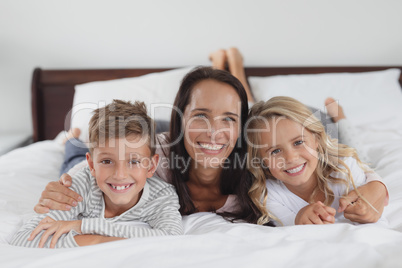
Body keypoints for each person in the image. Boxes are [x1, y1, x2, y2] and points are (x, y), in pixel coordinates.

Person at [33, 48, 388, 226]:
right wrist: (73, 177)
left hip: (269, 120)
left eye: (230, 120)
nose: (216, 132)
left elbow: (337, 162)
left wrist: (376, 189)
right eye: (198, 115)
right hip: (162, 133)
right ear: (181, 116)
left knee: (307, 121)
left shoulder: (267, 155)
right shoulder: (153, 155)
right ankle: (73, 137)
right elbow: (107, 163)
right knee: (77, 146)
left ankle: (235, 72)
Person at [11, 100, 183, 248]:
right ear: (92, 164)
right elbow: (24, 237)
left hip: (94, 173)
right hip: (78, 169)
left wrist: (83, 226)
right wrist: (97, 241)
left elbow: (171, 238)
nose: (120, 175)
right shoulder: (79, 187)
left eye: (133, 161)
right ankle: (71, 139)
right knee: (71, 160)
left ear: (152, 166)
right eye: (107, 161)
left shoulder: (162, 196)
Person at [246, 96, 388, 226]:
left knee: (359, 154)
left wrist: (370, 205)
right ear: (261, 160)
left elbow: (377, 220)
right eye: (275, 151)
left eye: (298, 142)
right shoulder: (267, 195)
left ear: (317, 140)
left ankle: (340, 117)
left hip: (330, 141)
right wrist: (298, 220)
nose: (291, 158)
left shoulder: (344, 166)